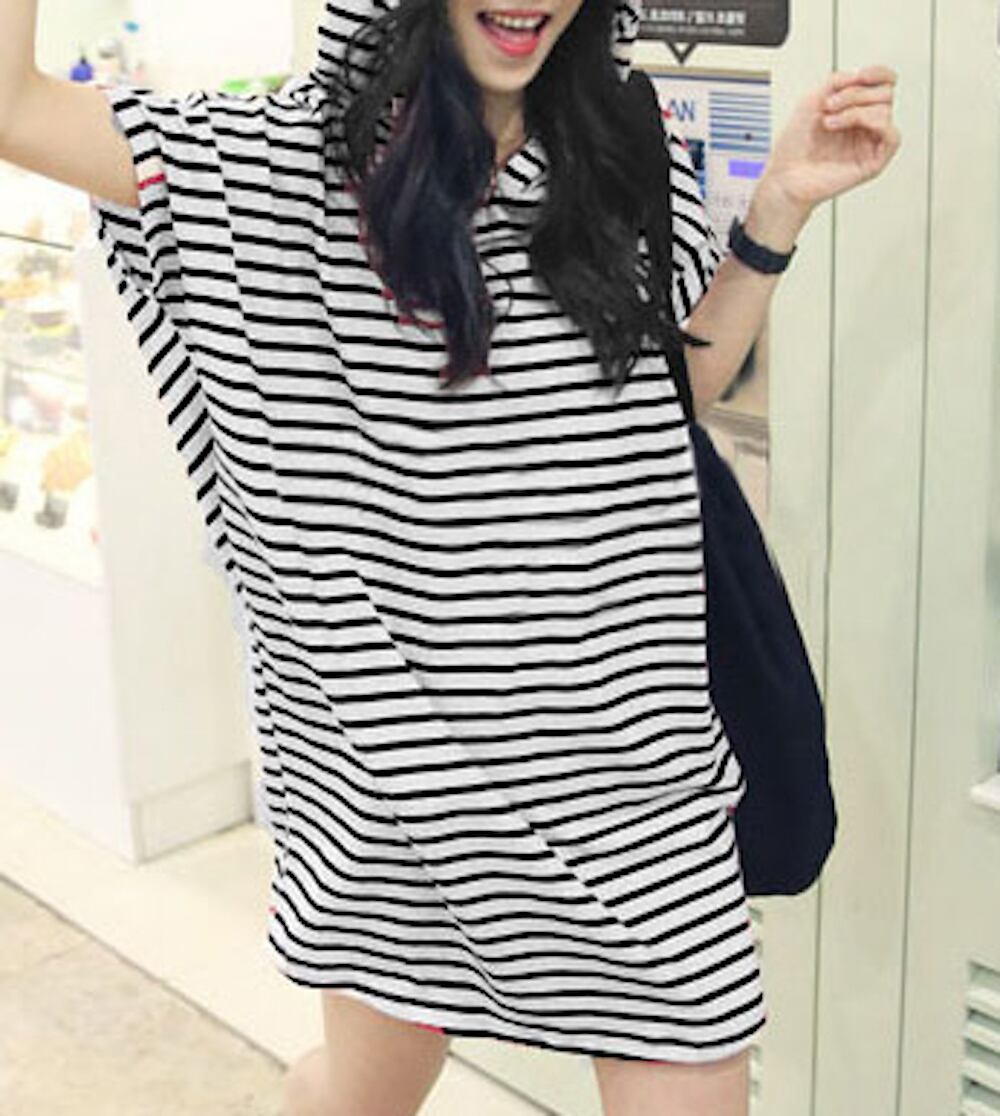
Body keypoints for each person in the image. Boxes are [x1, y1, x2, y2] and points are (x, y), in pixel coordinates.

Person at [0, 1, 900, 1113]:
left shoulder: (626, 136)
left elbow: (664, 394)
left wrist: (772, 216)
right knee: (362, 1096)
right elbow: (15, 105)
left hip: (629, 780)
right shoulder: (267, 166)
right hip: (399, 794)